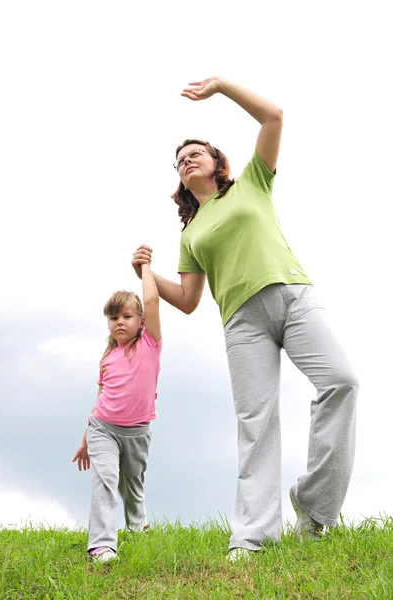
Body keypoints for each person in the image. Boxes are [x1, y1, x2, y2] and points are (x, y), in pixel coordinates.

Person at [132, 76, 359, 562]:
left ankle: (315, 508)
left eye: (196, 152)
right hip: (242, 323)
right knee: (256, 423)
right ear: (179, 179)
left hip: (294, 296)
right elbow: (189, 299)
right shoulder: (191, 234)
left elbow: (274, 116)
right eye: (179, 159)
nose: (186, 159)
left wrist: (220, 87)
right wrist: (146, 272)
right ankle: (252, 537)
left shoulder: (254, 182)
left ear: (219, 164)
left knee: (343, 381)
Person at [72, 261, 162, 564]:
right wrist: (86, 438)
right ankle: (102, 546)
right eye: (113, 318)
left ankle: (138, 526)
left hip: (137, 432)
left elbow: (151, 300)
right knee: (106, 481)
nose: (119, 322)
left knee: (133, 485)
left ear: (141, 320)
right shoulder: (108, 357)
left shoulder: (150, 343)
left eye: (126, 316)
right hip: (103, 428)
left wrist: (146, 267)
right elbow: (100, 399)